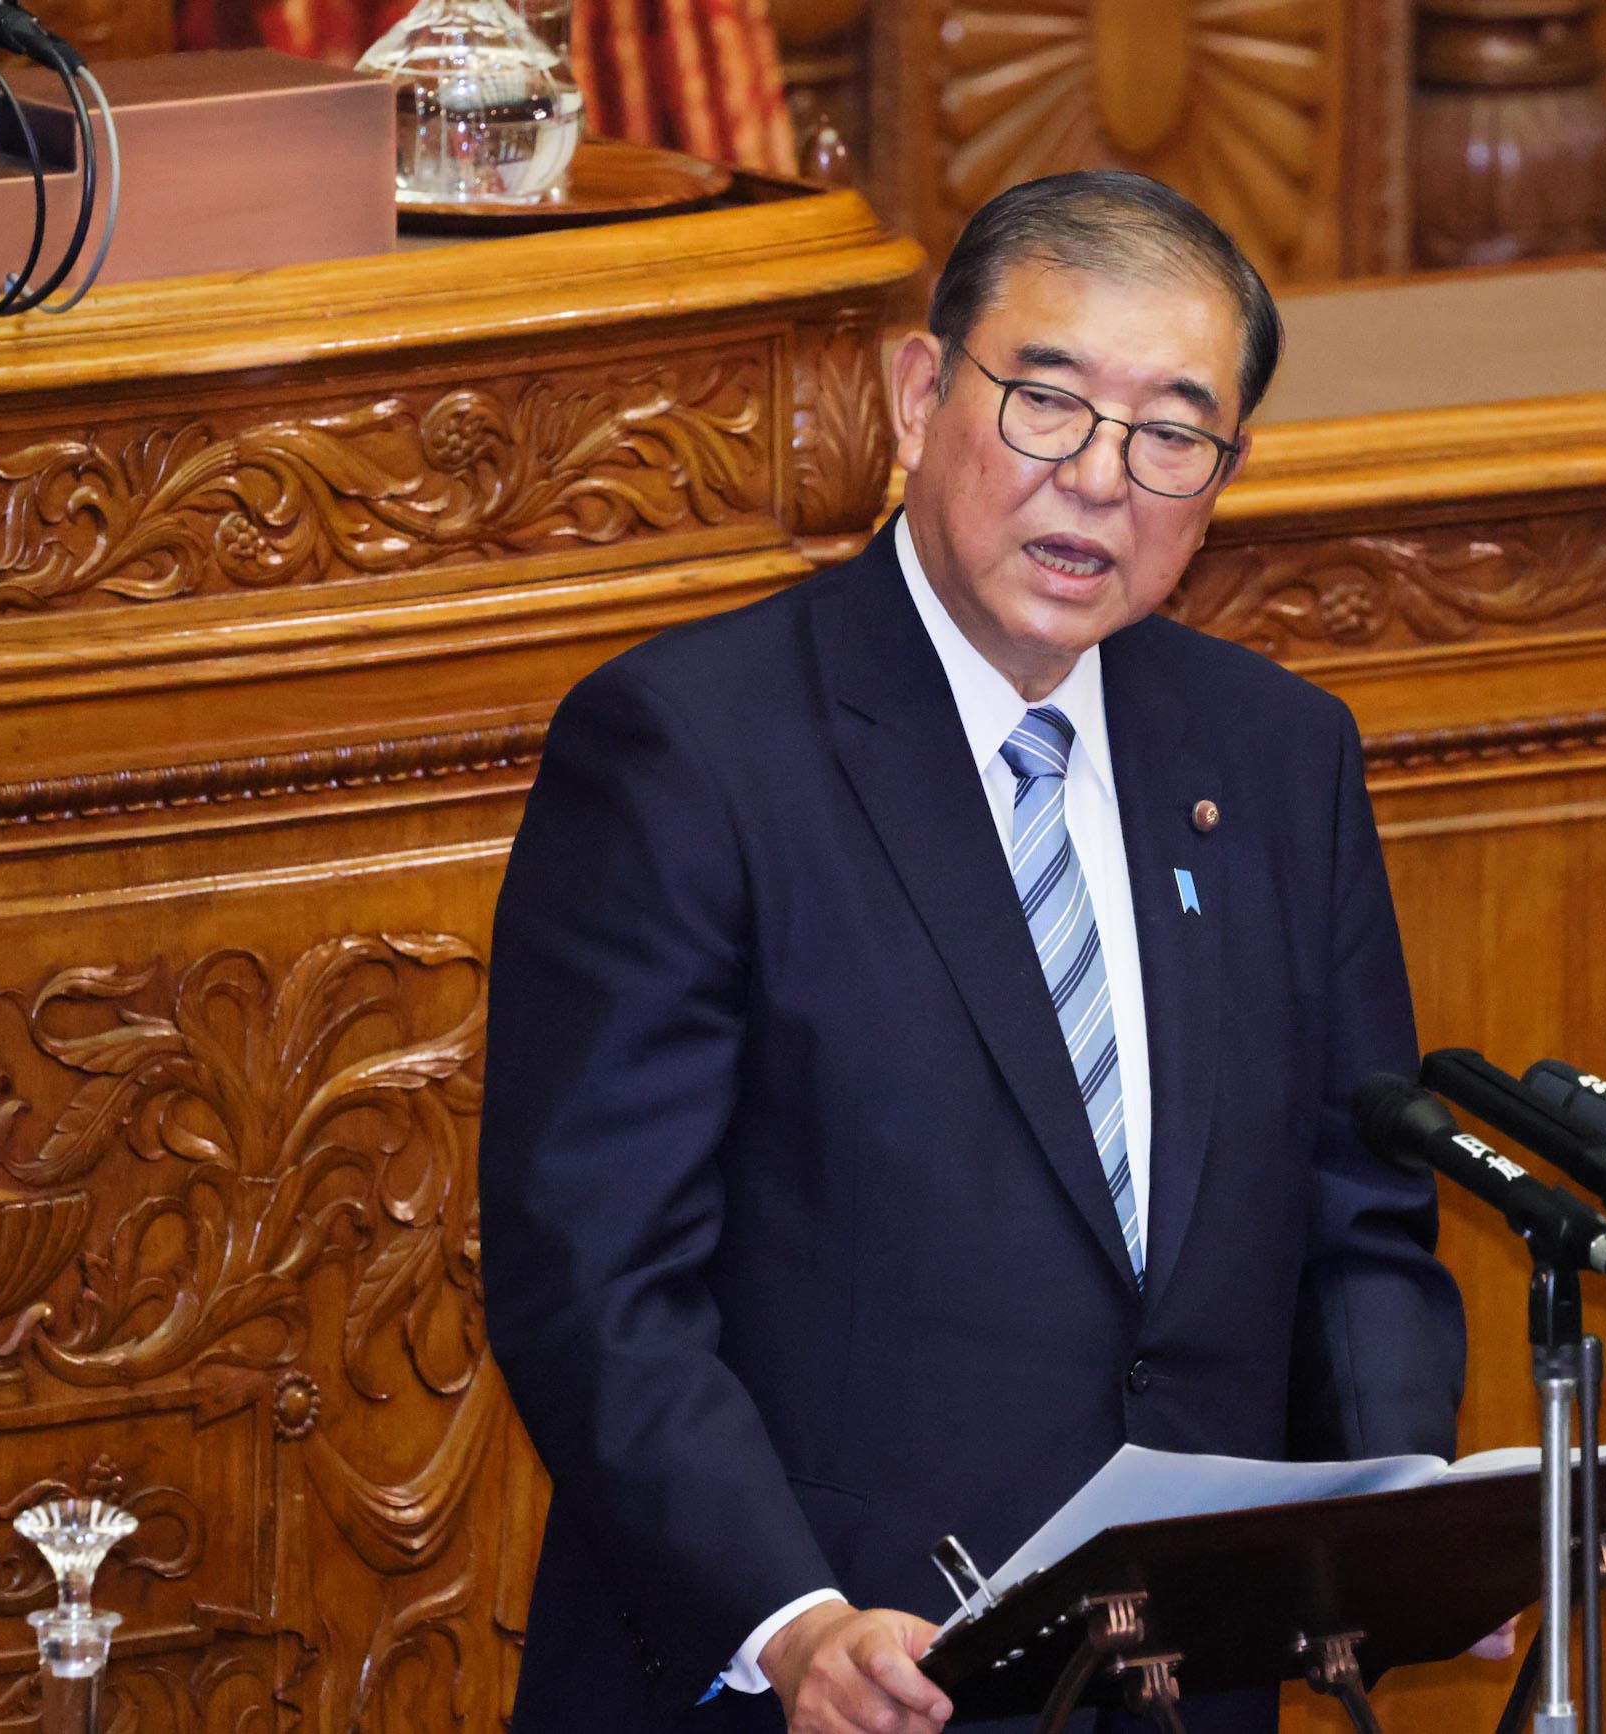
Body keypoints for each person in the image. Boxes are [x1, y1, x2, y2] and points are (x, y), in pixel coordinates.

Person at [479, 170, 1468, 1734]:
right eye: (1047, 405)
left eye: (1169, 437)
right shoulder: (692, 748)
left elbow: (1363, 1227)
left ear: (1226, 472)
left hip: (1177, 1689)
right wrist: (791, 1620)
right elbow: (592, 1282)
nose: (1098, 483)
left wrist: (1404, 1520)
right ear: (922, 389)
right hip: (837, 1686)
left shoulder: (1278, 756)